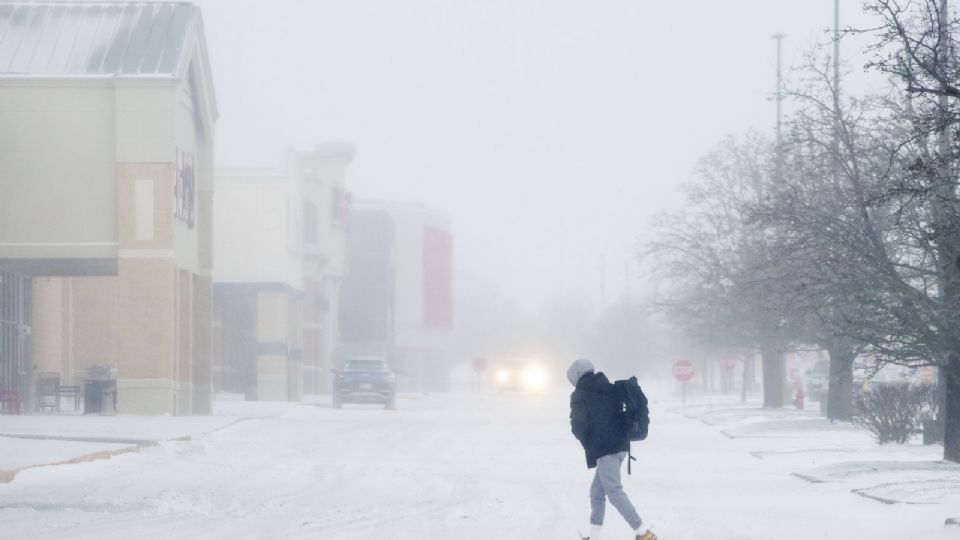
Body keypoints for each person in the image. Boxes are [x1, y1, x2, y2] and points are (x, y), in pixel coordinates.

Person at [568, 358, 656, 540]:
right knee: (597, 492)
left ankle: (642, 532)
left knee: (614, 492)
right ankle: (594, 535)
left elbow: (578, 426)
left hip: (605, 449)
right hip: (621, 446)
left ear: (576, 376)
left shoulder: (580, 394)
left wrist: (590, 443)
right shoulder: (610, 387)